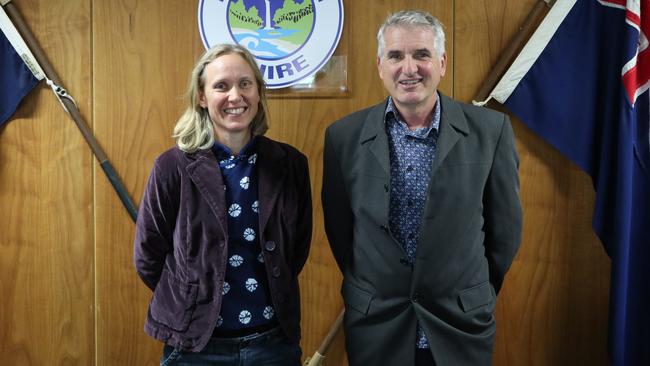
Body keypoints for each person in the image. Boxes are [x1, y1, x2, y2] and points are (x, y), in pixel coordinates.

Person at [322, 10, 523, 366]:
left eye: (422, 55)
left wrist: (475, 293)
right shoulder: (343, 138)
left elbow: (504, 234)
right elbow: (342, 234)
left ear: (442, 63)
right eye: (396, 56)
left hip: (459, 325)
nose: (409, 68)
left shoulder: (491, 132)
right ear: (381, 65)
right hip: (377, 327)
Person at [134, 43, 312, 366]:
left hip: (272, 345)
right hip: (195, 348)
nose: (235, 96)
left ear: (258, 92)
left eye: (245, 83)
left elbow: (295, 251)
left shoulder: (290, 165)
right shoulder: (172, 167)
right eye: (221, 86)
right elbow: (148, 256)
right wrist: (190, 301)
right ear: (202, 97)